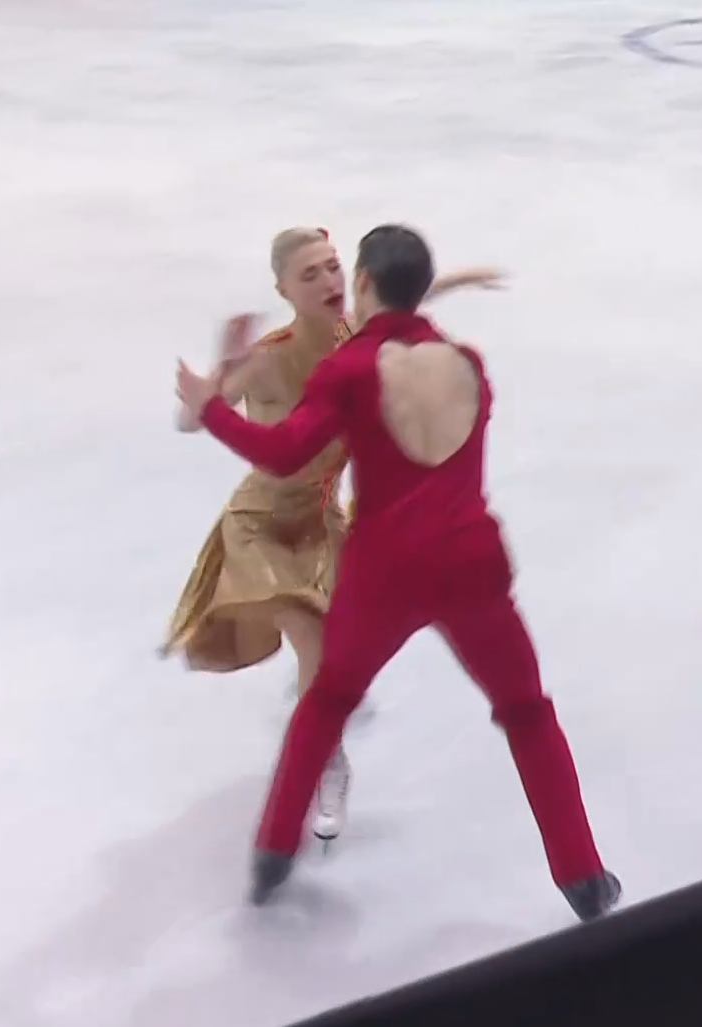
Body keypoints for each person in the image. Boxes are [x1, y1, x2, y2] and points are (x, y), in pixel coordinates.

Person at [173, 224, 621, 918]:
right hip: (471, 563)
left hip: (385, 571)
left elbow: (285, 452)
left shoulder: (349, 369)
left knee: (327, 700)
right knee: (528, 712)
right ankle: (582, 875)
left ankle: (272, 854)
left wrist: (209, 407)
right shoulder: (467, 362)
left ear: (361, 282)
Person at [163, 226, 501, 843]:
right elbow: (192, 420)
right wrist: (220, 368)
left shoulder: (358, 339)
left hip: (325, 520)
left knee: (330, 651)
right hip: (263, 527)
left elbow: (408, 299)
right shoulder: (267, 357)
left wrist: (458, 279)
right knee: (312, 640)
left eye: (333, 267)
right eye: (309, 274)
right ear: (284, 291)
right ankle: (331, 767)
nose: (328, 281)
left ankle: (317, 717)